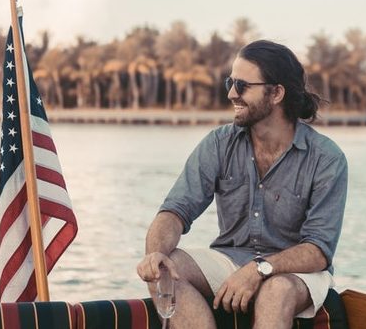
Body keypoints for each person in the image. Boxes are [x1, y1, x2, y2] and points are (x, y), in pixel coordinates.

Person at [136, 40, 348, 329]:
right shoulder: (219, 143)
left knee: (276, 291)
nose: (231, 93)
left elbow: (318, 250)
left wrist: (261, 269)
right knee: (164, 270)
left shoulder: (326, 158)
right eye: (230, 82)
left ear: (276, 93)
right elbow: (175, 211)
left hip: (297, 273)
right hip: (230, 259)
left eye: (242, 85)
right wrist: (155, 253)